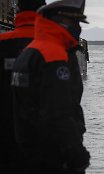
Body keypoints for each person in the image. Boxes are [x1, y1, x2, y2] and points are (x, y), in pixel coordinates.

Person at [11, 0, 90, 173]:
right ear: (59, 20)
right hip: (54, 158)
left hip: (27, 154)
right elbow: (58, 113)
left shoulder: (29, 52)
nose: (77, 27)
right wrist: (77, 155)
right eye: (74, 21)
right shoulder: (53, 55)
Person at [0, 0, 46, 173]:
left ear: (17, 9)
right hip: (43, 149)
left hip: (5, 144)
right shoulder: (56, 48)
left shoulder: (3, 43)